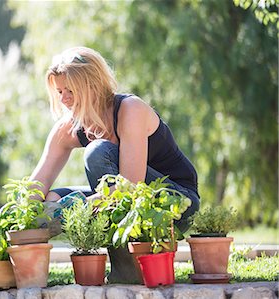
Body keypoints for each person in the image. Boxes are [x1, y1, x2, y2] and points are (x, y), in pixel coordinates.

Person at [29, 46, 200, 283]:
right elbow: (36, 185)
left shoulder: (130, 110)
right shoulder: (68, 128)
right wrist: (21, 217)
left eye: (70, 90)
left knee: (98, 153)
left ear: (93, 87)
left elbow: (130, 187)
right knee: (51, 198)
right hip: (123, 196)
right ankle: (124, 265)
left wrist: (77, 207)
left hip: (176, 200)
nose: (64, 99)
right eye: (59, 91)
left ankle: (128, 267)